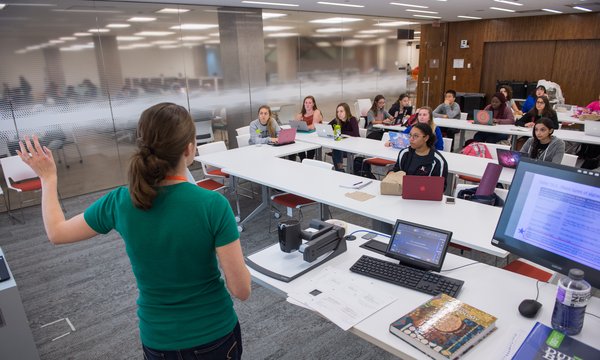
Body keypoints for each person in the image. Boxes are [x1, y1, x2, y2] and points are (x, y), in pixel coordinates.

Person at [17, 103, 251, 359]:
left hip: (158, 340)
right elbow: (241, 290)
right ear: (189, 148)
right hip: (213, 335)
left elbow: (57, 232)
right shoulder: (212, 205)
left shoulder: (120, 201)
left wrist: (48, 179)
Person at [328, 102, 359, 171]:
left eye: (341, 111)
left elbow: (356, 134)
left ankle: (339, 170)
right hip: (341, 146)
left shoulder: (352, 119)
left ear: (347, 111)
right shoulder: (337, 120)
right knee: (336, 149)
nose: (339, 113)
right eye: (337, 112)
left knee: (336, 150)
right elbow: (327, 127)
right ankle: (340, 170)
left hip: (352, 146)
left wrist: (340, 132)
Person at [294, 95, 323, 160]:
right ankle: (303, 161)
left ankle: (307, 161)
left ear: (313, 104)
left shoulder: (316, 111)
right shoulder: (300, 115)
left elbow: (313, 126)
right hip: (304, 138)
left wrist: (303, 127)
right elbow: (294, 127)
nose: (307, 104)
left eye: (310, 103)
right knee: (297, 145)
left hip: (315, 138)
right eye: (306, 102)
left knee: (310, 149)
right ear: (304, 104)